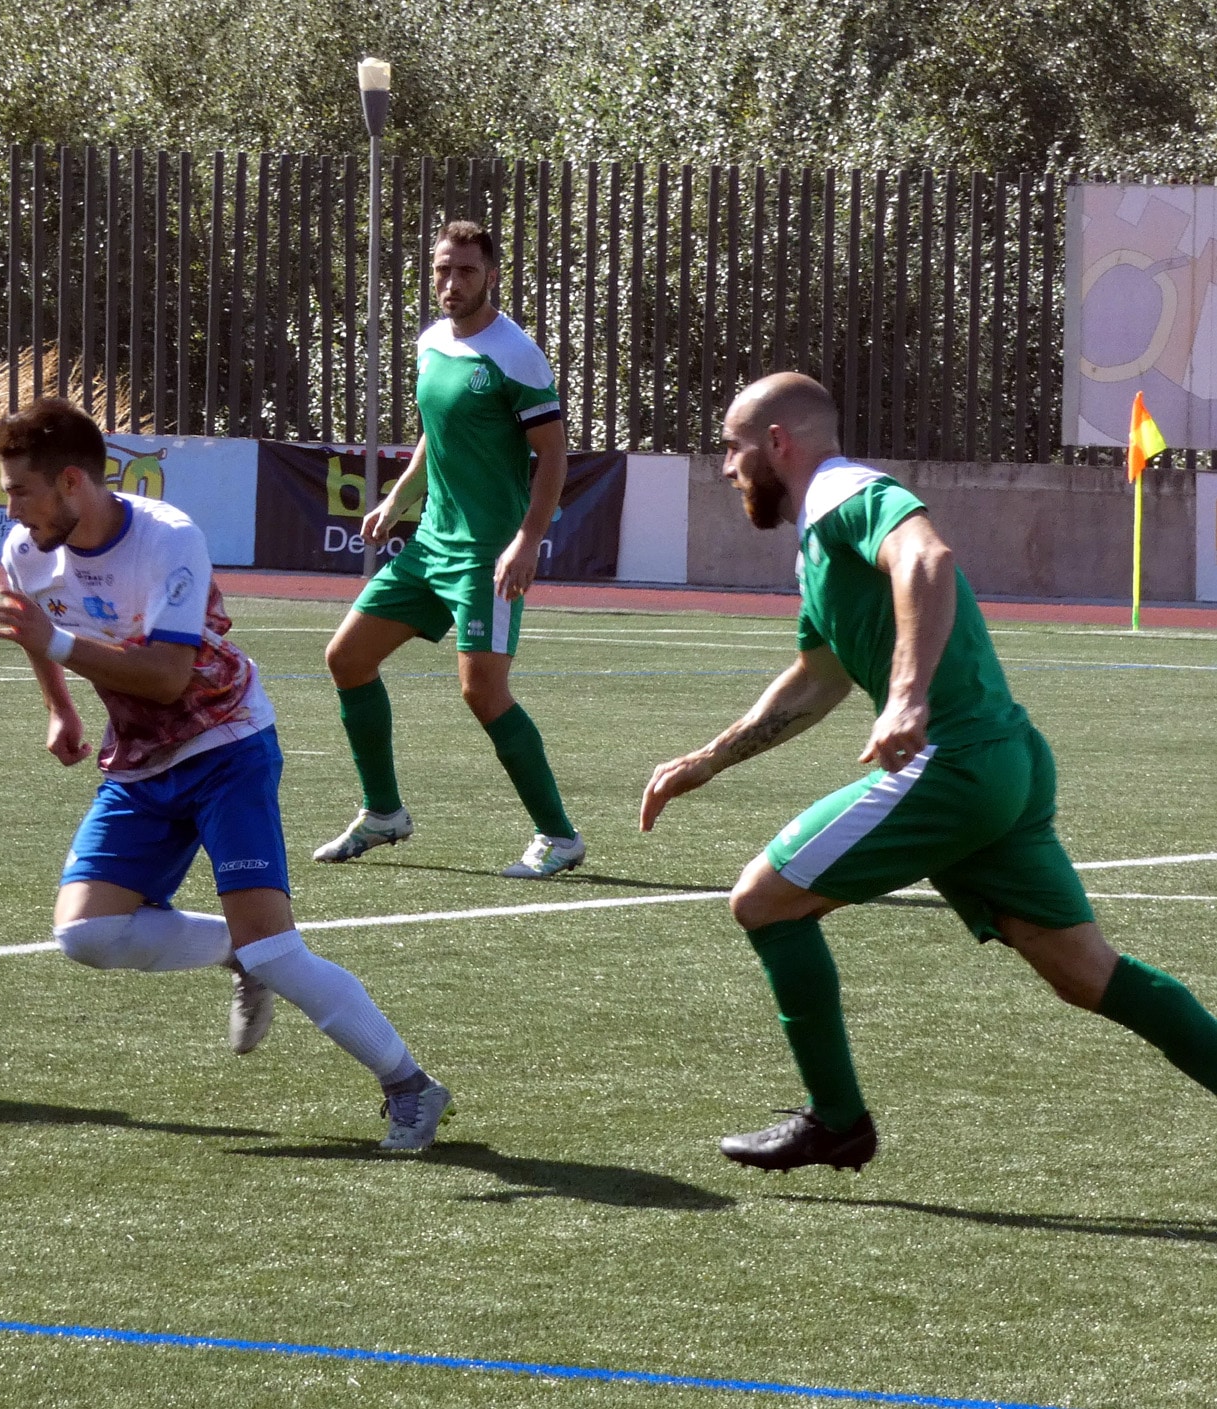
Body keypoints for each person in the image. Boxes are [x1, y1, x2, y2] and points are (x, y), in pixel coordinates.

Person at [641, 372, 1217, 1171]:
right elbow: (817, 677)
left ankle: (836, 1119)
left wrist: (906, 697)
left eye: (732, 448)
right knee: (1087, 975)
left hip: (956, 762)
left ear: (777, 443)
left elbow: (926, 556)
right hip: (1000, 762)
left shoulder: (846, 492)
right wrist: (706, 760)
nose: (726, 467)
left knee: (763, 902)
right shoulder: (818, 536)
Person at [0, 397, 451, 1151]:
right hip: (139, 759)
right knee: (87, 934)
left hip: (227, 745)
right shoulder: (27, 548)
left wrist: (60, 646)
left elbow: (167, 677)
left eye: (17, 490)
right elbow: (38, 621)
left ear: (71, 482)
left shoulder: (169, 539)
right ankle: (233, 949)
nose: (8, 507)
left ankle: (411, 1086)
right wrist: (59, 708)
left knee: (276, 949)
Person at [315, 220, 583, 878]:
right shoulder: (431, 342)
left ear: (490, 274)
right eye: (441, 269)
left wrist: (527, 540)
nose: (450, 282)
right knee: (346, 658)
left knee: (482, 692)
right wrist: (396, 499)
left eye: (464, 270)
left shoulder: (515, 354)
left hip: (485, 552)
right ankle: (382, 813)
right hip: (430, 542)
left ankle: (558, 836)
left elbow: (550, 456)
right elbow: (436, 436)